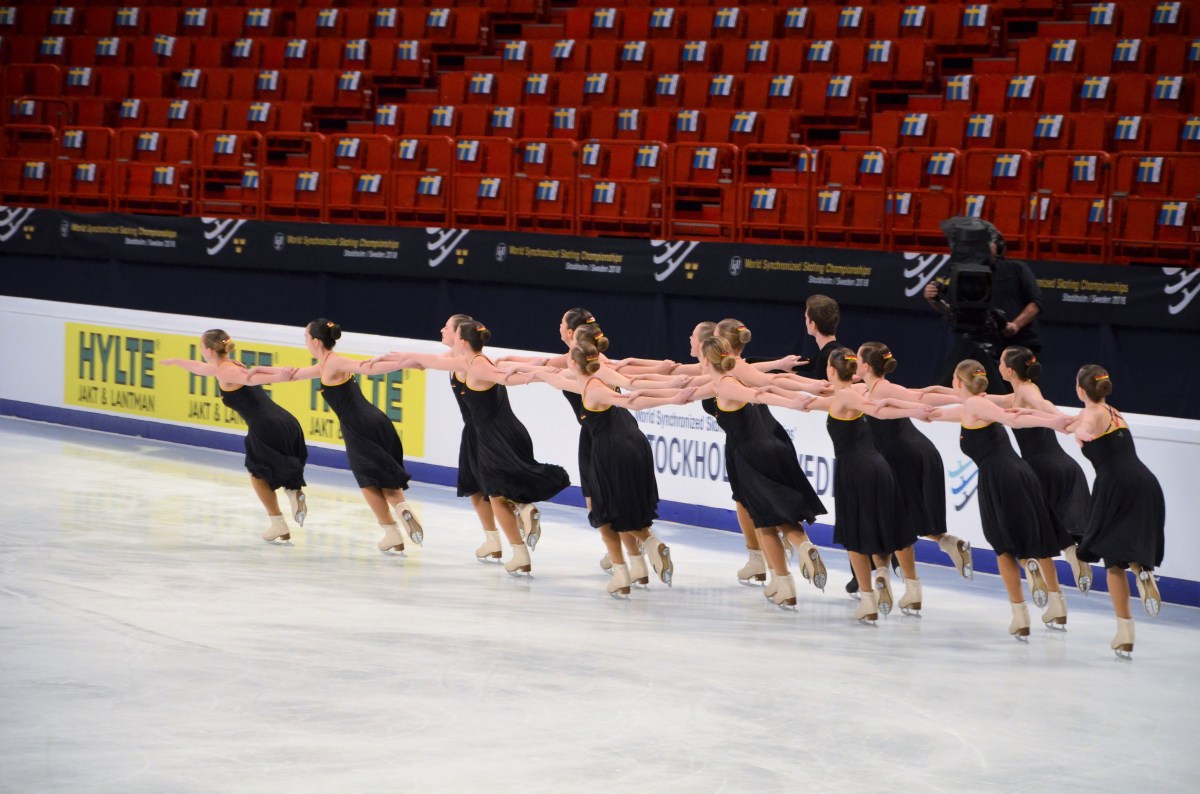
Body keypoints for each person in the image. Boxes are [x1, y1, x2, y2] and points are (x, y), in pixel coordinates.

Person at [372, 320, 570, 575]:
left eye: (448, 328)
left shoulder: (475, 364)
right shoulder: (460, 360)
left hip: (493, 434)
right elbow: (424, 362)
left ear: (461, 339)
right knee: (475, 488)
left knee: (497, 493)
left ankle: (521, 539)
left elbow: (505, 377)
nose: (442, 330)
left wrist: (539, 375)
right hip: (481, 432)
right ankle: (496, 537)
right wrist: (387, 361)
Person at [763, 348, 931, 622]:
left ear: (831, 370)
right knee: (888, 525)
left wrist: (915, 411)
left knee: (855, 535)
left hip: (856, 469)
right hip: (879, 466)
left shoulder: (847, 396)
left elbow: (874, 410)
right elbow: (810, 398)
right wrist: (771, 389)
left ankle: (868, 601)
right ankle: (900, 583)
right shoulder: (853, 392)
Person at [521, 334, 694, 596]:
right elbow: (553, 377)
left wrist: (673, 397)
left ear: (573, 364)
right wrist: (525, 371)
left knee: (604, 513)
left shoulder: (594, 388)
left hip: (612, 451)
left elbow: (632, 399)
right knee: (617, 508)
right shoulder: (593, 378)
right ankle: (638, 558)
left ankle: (635, 558)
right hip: (629, 443)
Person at [919, 361, 1074, 638]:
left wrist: (1054, 422)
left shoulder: (976, 405)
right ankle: (1056, 603)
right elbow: (933, 412)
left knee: (1004, 548)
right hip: (1020, 473)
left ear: (958, 381)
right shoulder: (973, 406)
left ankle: (1020, 615)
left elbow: (1012, 418)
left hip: (1000, 477)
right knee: (1037, 539)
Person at [253, 319, 423, 555]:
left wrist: (408, 362)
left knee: (367, 481)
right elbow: (293, 374)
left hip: (358, 425)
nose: (305, 342)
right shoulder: (325, 365)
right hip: (377, 420)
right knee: (385, 475)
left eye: (306, 337)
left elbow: (366, 367)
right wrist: (257, 371)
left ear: (315, 341)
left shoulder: (334, 361)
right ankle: (402, 508)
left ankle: (391, 532)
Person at [690, 336, 830, 609]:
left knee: (764, 522)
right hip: (774, 446)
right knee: (780, 514)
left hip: (751, 454)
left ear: (706, 360)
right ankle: (803, 548)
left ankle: (785, 583)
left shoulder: (727, 384)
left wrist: (794, 402)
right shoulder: (731, 377)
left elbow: (760, 394)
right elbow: (772, 382)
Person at [854, 342, 974, 608]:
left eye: (858, 359)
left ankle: (905, 585)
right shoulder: (868, 388)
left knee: (895, 522)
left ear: (866, 365)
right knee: (895, 520)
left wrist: (965, 399)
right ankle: (945, 543)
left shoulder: (883, 388)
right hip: (908, 452)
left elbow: (921, 398)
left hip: (904, 455)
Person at [162, 330, 308, 544]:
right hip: (285, 421)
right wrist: (176, 361)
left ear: (210, 350)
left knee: (257, 474)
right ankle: (294, 493)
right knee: (275, 464)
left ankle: (278, 522)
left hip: (266, 425)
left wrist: (280, 377)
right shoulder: (226, 366)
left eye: (201, 346)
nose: (200, 350)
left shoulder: (227, 371)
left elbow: (249, 378)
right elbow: (200, 368)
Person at [1070, 365, 1166, 658]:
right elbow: (1076, 423)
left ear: (1080, 390)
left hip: (1115, 485)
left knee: (1113, 562)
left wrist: (1080, 432)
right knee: (1130, 551)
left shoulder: (1090, 413)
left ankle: (1125, 634)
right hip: (1146, 482)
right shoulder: (1113, 411)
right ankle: (1143, 573)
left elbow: (1085, 426)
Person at [996, 347, 1094, 594]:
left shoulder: (1027, 390)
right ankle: (1072, 553)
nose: (998, 366)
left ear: (1010, 370)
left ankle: (1033, 569)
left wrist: (1064, 418)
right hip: (1065, 466)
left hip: (1040, 469)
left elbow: (1043, 403)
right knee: (1052, 525)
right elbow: (978, 399)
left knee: (1022, 528)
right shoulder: (1016, 394)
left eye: (1000, 362)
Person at [923, 223, 1042, 392]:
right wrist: (933, 299)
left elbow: (1035, 303)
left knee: (1018, 393)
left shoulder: (1017, 268)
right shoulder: (960, 271)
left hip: (1015, 345)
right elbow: (952, 309)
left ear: (998, 246)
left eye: (986, 243)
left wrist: (1015, 325)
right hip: (973, 338)